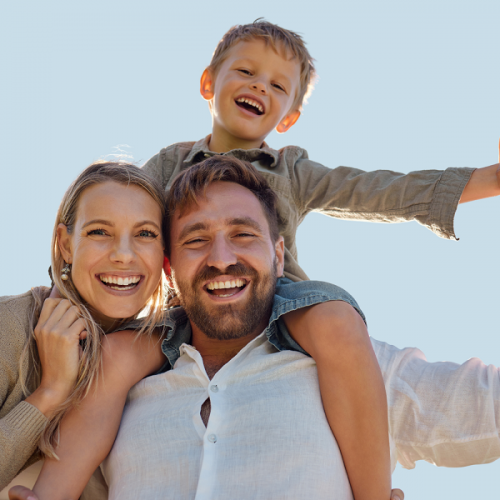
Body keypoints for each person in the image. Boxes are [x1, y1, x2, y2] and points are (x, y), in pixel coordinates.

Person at [140, 19, 500, 500]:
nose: (257, 86)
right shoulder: (169, 163)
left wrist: (492, 179)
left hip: (281, 300)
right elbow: (118, 215)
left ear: (287, 116)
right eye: (245, 71)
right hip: (186, 304)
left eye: (276, 84)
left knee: (335, 322)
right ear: (209, 82)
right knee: (113, 359)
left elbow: (380, 190)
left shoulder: (292, 169)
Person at [10, 158, 498, 500]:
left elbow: (481, 403)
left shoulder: (348, 365)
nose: (221, 259)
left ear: (279, 255)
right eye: (196, 240)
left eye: (243, 235)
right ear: (169, 268)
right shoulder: (118, 374)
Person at [0, 161, 169, 489]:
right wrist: (50, 392)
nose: (123, 255)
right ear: (65, 244)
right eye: (99, 232)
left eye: (145, 234)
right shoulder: (9, 325)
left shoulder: (167, 356)